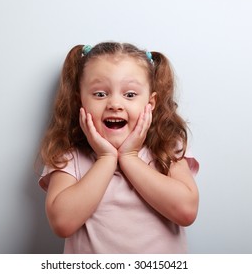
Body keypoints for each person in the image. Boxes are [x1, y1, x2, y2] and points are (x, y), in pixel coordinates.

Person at [38, 42, 199, 253]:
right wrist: (106, 159)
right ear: (80, 101)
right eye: (100, 94)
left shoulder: (166, 147)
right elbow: (62, 223)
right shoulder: (69, 155)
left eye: (130, 95)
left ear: (151, 104)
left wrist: (130, 157)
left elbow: (186, 211)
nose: (115, 104)